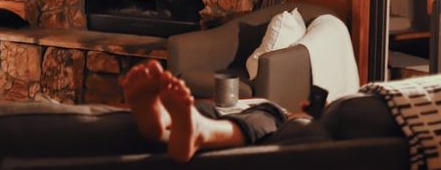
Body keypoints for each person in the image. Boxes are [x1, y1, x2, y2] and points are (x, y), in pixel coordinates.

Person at [120, 59, 326, 162]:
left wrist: (306, 116)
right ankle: (163, 121)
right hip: (279, 117)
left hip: (286, 121)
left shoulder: (314, 131)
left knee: (271, 112)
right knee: (205, 109)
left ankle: (198, 131)